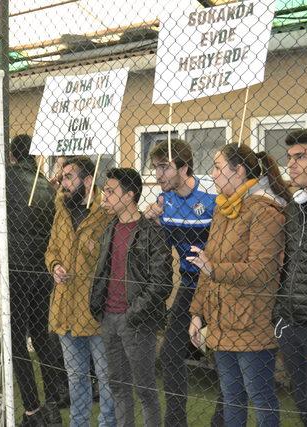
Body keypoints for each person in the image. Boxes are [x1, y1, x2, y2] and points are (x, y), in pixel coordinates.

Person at [187, 143, 289, 427]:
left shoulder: (266, 211)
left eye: (218, 167)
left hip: (252, 323)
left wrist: (213, 268)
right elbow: (207, 265)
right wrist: (198, 313)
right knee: (231, 397)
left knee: (260, 396)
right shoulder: (224, 209)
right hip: (222, 320)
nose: (213, 173)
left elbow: (262, 271)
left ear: (239, 171)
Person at [0, 134, 67, 426]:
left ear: (13, 156)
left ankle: (32, 409)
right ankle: (54, 400)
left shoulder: (7, 177)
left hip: (15, 269)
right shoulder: (45, 184)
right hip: (42, 270)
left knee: (16, 342)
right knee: (42, 337)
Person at [143, 139, 220, 427]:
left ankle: (222, 421)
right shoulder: (165, 202)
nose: (158, 175)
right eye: (155, 168)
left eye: (164, 167)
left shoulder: (212, 194)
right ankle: (176, 423)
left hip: (219, 283)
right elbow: (157, 246)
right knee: (171, 355)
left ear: (184, 167)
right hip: (189, 284)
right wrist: (149, 221)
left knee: (226, 357)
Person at [90, 168, 173, 427]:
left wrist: (133, 313)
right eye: (105, 190)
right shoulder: (109, 229)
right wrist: (100, 308)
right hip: (109, 318)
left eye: (111, 191)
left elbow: (162, 283)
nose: (105, 196)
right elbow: (104, 272)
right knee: (118, 387)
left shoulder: (151, 232)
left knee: (145, 390)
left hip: (136, 321)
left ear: (129, 196)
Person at [45, 156, 116, 427]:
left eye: (69, 177)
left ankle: (107, 423)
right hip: (65, 306)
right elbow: (51, 249)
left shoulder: (106, 212)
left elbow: (114, 259)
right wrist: (56, 265)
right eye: (63, 177)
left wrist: (90, 252)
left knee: (106, 376)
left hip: (96, 308)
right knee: (75, 376)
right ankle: (79, 423)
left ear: (87, 180)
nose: (62, 183)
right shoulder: (61, 208)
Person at [274, 128, 307, 427]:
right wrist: (280, 311)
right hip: (291, 318)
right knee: (304, 405)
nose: (292, 165)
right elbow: (290, 262)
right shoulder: (296, 206)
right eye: (289, 158)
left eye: (301, 157)